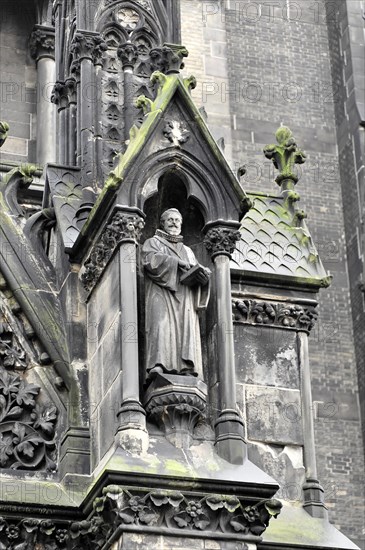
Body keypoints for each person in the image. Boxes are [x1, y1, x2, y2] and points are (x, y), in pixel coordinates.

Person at [142, 209, 210, 379]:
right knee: (160, 325)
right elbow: (149, 261)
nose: (174, 223)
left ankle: (187, 367)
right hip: (161, 293)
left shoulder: (188, 250)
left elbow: (194, 268)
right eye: (170, 220)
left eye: (177, 220)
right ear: (162, 223)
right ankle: (158, 364)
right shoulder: (153, 242)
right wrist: (176, 263)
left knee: (187, 329)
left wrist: (203, 277)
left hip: (185, 296)